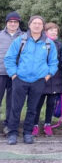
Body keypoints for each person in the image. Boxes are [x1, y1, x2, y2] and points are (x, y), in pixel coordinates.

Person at [4, 15, 58, 145]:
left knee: (33, 108)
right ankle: (12, 133)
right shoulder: (20, 40)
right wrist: (13, 75)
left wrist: (48, 75)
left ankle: (28, 133)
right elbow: (9, 58)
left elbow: (54, 62)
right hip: (20, 79)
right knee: (15, 108)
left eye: (40, 23)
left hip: (39, 80)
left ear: (43, 27)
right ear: (29, 25)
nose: (37, 25)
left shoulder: (49, 43)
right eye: (34, 23)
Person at [33, 23, 62, 137]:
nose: (54, 32)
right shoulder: (40, 43)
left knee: (51, 104)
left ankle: (47, 125)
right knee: (37, 103)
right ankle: (34, 125)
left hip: (55, 79)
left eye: (56, 31)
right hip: (41, 78)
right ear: (45, 32)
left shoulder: (60, 45)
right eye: (51, 30)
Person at [0, 11, 23, 135]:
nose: (13, 24)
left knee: (12, 102)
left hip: (16, 75)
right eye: (10, 22)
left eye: (15, 22)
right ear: (6, 23)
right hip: (1, 73)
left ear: (18, 23)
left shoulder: (24, 36)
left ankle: (9, 126)